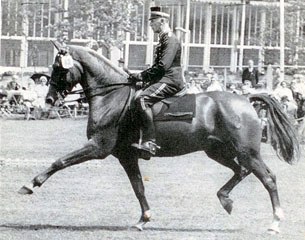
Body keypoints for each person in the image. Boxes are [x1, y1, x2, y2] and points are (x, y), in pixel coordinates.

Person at [129, 6, 184, 157]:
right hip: (163, 78)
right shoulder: (163, 40)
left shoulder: (171, 40)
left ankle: (150, 141)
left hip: (171, 80)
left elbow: (162, 66)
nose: (151, 25)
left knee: (142, 99)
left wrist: (142, 76)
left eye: (153, 22)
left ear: (162, 21)